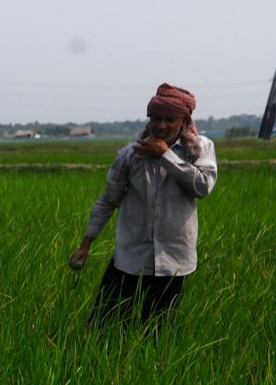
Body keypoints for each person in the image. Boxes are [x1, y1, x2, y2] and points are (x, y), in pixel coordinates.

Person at [69, 83, 218, 327]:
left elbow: (202, 187)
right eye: (156, 118)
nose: (161, 125)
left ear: (184, 121)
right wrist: (86, 244)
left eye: (169, 119)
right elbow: (108, 200)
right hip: (130, 258)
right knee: (104, 325)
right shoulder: (131, 155)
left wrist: (165, 156)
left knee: (158, 329)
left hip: (174, 260)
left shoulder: (200, 149)